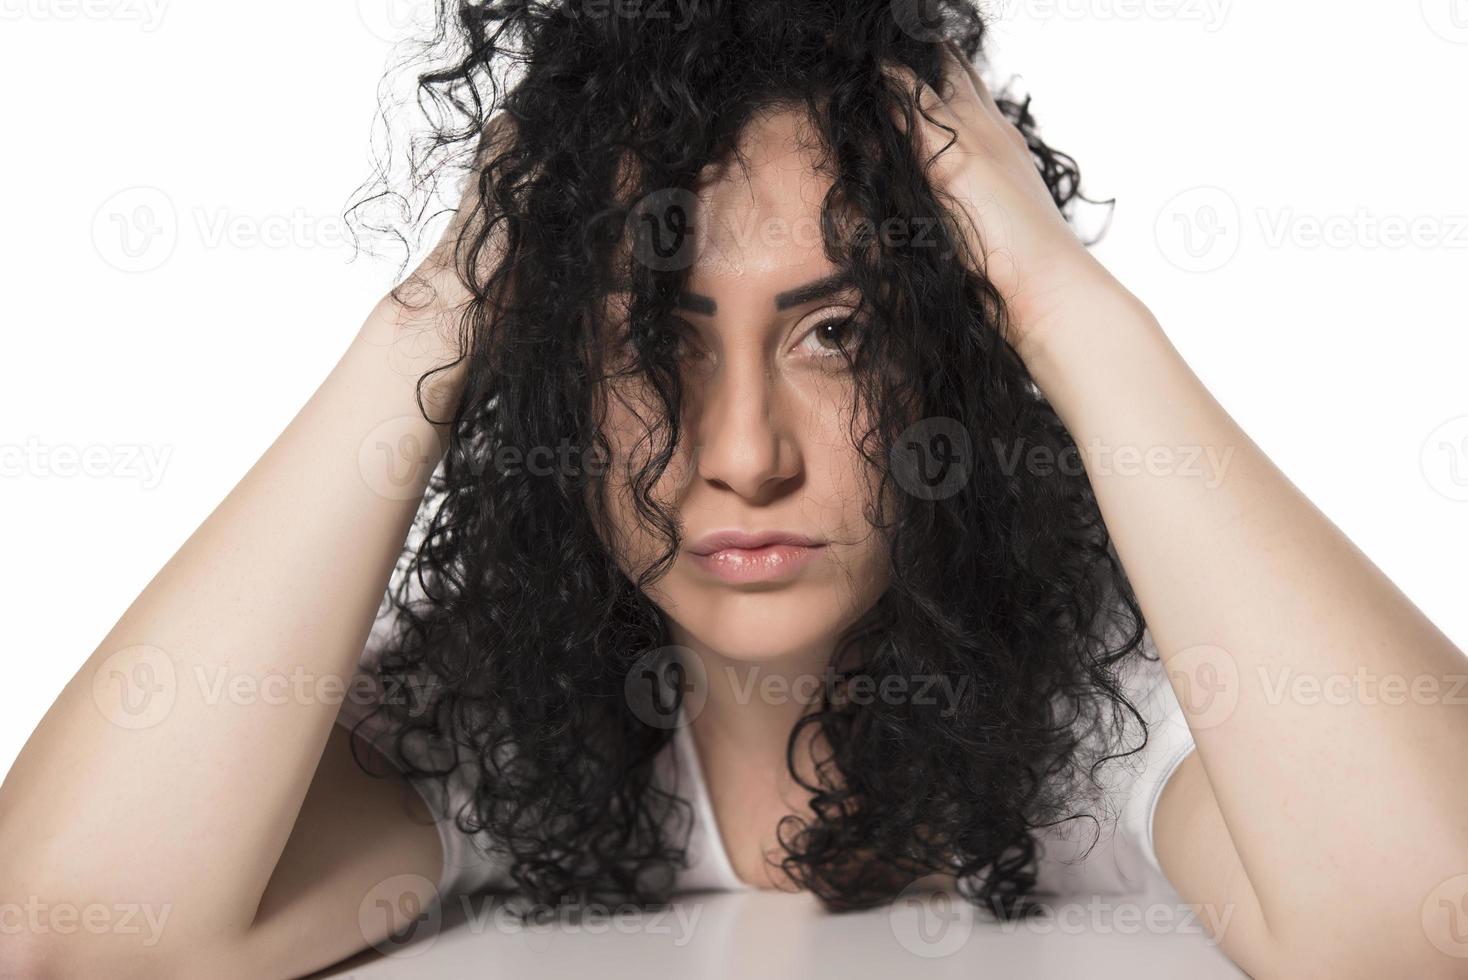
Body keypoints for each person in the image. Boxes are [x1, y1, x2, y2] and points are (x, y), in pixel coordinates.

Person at [2, 3, 1464, 978]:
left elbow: (1421, 925)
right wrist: (444, 306)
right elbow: (66, 932)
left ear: (951, 362)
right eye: (655, 339)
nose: (746, 455)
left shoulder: (1120, 706)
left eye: (841, 332)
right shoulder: (498, 731)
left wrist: (1057, 295)